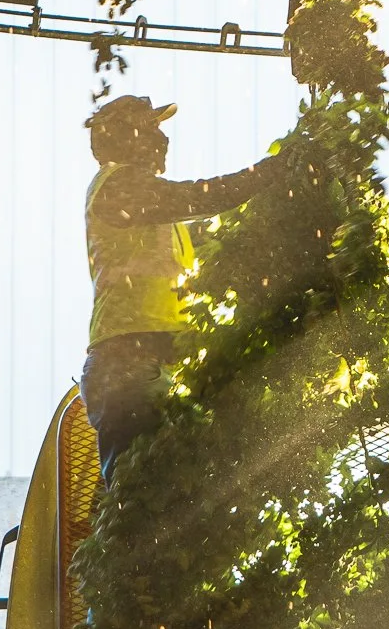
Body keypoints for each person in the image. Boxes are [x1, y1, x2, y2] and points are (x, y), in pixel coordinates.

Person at [80, 93, 279, 476]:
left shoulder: (160, 221)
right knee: (141, 506)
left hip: (152, 367)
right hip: (129, 368)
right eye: (152, 129)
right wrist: (271, 173)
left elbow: (219, 226)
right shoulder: (116, 188)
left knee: (168, 504)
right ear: (126, 138)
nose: (163, 140)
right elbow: (200, 197)